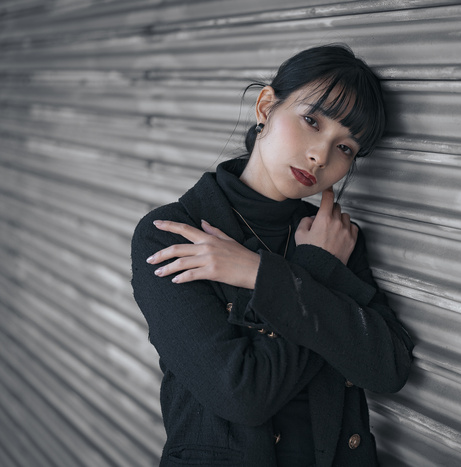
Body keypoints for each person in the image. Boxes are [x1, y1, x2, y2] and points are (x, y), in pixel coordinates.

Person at [130, 44, 414, 467]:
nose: (320, 156)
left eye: (346, 148)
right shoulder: (171, 233)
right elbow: (241, 395)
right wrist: (316, 273)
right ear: (265, 106)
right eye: (311, 121)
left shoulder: (331, 235)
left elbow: (389, 368)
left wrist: (261, 274)